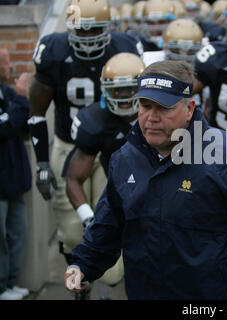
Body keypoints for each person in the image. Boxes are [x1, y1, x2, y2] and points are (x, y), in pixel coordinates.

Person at [64, 59, 227, 300]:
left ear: (189, 109)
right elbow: (108, 227)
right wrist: (82, 264)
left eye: (163, 108)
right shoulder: (125, 158)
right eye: (145, 106)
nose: (151, 117)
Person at [27, 0, 143, 300]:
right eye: (82, 29)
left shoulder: (126, 47)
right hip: (70, 143)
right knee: (69, 228)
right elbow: (37, 111)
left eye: (96, 29)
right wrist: (41, 161)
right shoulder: (54, 51)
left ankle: (108, 283)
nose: (89, 35)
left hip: (113, 145)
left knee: (107, 221)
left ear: (109, 28)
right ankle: (81, 284)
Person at [63, 53, 146, 300]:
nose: (122, 96)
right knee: (111, 271)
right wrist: (89, 218)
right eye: (116, 90)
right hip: (120, 186)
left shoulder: (159, 113)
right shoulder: (95, 121)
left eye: (129, 89)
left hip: (159, 185)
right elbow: (73, 178)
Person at [0, 48, 31, 300]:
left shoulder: (7, 92)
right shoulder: (14, 96)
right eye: (6, 62)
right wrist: (21, 100)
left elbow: (21, 119)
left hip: (14, 182)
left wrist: (19, 103)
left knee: (17, 233)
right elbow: (7, 126)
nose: (10, 66)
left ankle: (10, 283)